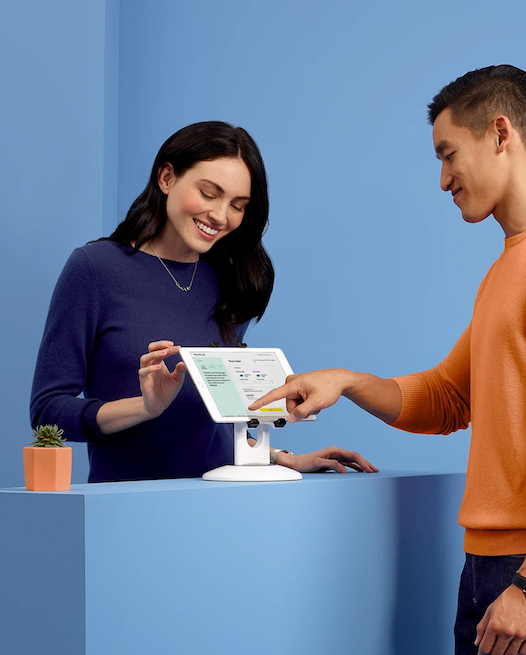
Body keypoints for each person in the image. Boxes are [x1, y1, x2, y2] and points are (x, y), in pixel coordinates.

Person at [250, 66, 526, 655]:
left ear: (500, 134)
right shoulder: (510, 266)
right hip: (492, 559)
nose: (443, 179)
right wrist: (347, 382)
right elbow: (450, 397)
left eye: (448, 154)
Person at [31, 121, 377, 482]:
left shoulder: (233, 281)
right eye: (209, 194)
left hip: (225, 500)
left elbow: (213, 426)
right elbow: (47, 413)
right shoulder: (95, 269)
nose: (221, 216)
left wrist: (280, 457)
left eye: (237, 205)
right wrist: (144, 408)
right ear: (167, 178)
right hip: (128, 504)